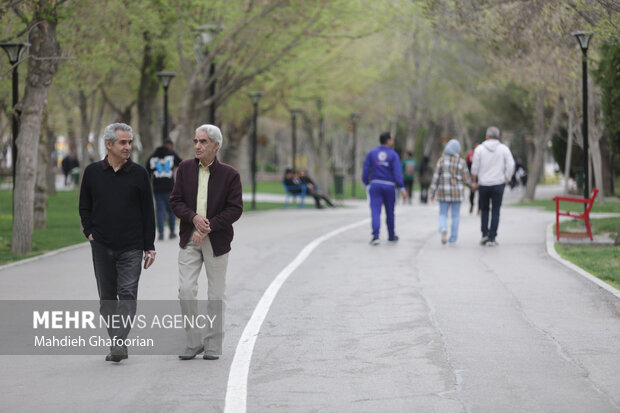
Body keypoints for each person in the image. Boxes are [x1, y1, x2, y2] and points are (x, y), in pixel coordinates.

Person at [79, 123, 156, 363]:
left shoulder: (139, 173)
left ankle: (119, 343)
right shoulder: (92, 173)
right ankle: (117, 343)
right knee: (107, 301)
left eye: (130, 142)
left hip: (131, 246)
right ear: (109, 144)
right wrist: (89, 232)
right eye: (123, 142)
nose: (128, 147)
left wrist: (149, 245)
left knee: (127, 294)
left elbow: (147, 212)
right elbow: (84, 206)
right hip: (101, 245)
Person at [169, 124, 243, 361]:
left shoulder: (230, 175)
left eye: (203, 142)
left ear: (215, 146)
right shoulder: (185, 168)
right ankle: (193, 342)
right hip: (190, 238)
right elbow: (176, 201)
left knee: (216, 294)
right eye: (196, 141)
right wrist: (193, 218)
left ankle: (213, 344)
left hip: (217, 240)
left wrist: (208, 225)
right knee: (186, 291)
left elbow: (235, 209)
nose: (197, 146)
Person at [471, 126, 515, 247]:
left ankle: (484, 233)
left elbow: (474, 167)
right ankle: (492, 237)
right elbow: (511, 165)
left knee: (484, 209)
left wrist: (475, 181)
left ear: (486, 136)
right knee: (496, 210)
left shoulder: (479, 149)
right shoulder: (503, 149)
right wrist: (507, 178)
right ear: (498, 136)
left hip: (484, 184)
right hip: (498, 184)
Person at [362, 131, 407, 245]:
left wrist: (367, 183)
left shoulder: (372, 153)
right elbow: (397, 173)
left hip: (375, 185)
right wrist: (401, 187)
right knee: (390, 212)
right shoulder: (393, 155)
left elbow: (366, 170)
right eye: (392, 139)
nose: (393, 141)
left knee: (375, 211)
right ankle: (391, 235)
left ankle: (376, 236)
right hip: (389, 186)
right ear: (388, 140)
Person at [429, 139, 473, 245]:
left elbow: (436, 178)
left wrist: (432, 192)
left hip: (443, 192)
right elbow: (466, 179)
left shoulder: (441, 161)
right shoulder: (461, 162)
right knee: (455, 216)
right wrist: (472, 186)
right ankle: (453, 239)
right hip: (457, 193)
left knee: (443, 214)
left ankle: (443, 228)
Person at [146, 139, 182, 240]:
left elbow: (147, 172)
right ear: (170, 146)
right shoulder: (171, 155)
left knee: (160, 211)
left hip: (157, 189)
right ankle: (171, 231)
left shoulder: (152, 157)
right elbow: (181, 163)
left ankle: (161, 233)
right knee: (171, 210)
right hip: (170, 188)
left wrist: (148, 185)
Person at [466, 142, 479, 214]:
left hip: (480, 176)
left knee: (481, 193)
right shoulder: (470, 154)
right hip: (472, 175)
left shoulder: (484, 154)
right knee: (472, 192)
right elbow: (467, 165)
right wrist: (469, 174)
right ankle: (472, 204)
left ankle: (480, 208)